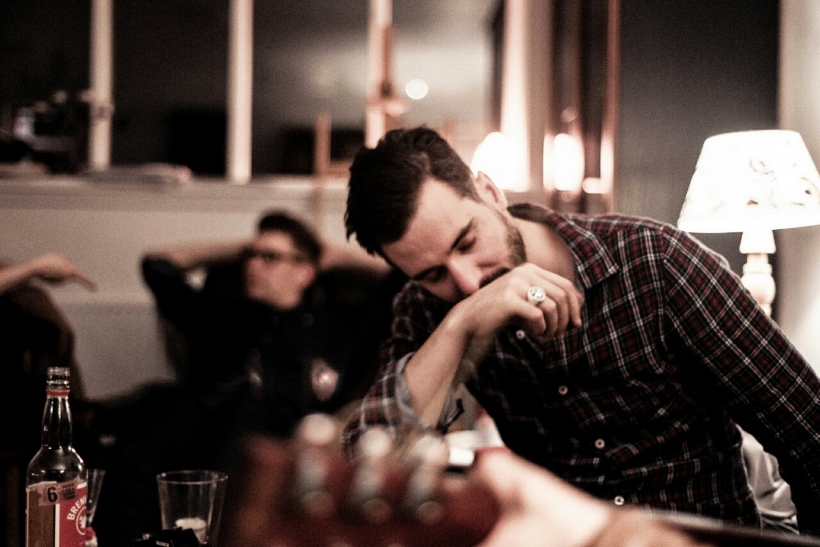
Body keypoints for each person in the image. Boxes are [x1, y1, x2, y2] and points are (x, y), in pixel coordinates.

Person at [340, 126, 820, 535]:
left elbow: (808, 432)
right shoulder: (430, 308)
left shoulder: (657, 262)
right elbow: (368, 468)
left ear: (489, 191)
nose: (465, 282)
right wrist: (460, 323)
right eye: (432, 274)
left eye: (467, 242)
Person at [93, 210, 399, 545]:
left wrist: (337, 256)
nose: (253, 265)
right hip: (194, 429)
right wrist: (240, 248)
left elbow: (402, 278)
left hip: (278, 443)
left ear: (306, 272)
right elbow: (156, 265)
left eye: (270, 258)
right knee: (157, 413)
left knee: (249, 411)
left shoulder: (336, 327)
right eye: (250, 256)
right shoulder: (220, 313)